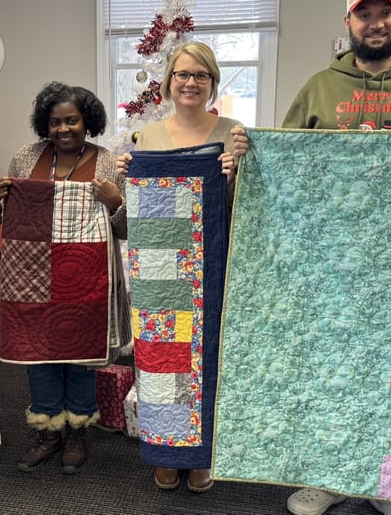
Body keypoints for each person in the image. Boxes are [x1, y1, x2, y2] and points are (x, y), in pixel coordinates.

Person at [234, 0, 391, 515]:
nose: (375, 22)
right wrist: (254, 150)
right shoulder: (320, 88)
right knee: (331, 364)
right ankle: (331, 473)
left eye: (385, 11)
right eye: (364, 13)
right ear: (349, 23)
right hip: (332, 260)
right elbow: (286, 165)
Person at [0, 81, 130, 475]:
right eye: (54, 122)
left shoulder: (108, 163)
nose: (63, 129)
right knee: (39, 352)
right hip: (31, 274)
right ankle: (48, 432)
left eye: (72, 121)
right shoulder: (25, 158)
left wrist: (115, 203)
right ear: (43, 124)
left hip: (86, 274)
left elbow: (128, 228)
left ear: (88, 122)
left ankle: (78, 431)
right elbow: (9, 218)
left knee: (81, 357)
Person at [117, 41, 240, 493]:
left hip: (209, 264)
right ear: (168, 82)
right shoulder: (147, 138)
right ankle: (166, 449)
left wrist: (234, 176)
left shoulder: (233, 133)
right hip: (158, 271)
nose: (190, 83)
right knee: (160, 362)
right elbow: (134, 211)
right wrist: (128, 176)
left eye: (200, 75)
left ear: (212, 81)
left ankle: (202, 455)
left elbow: (246, 210)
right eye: (182, 75)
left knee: (207, 357)